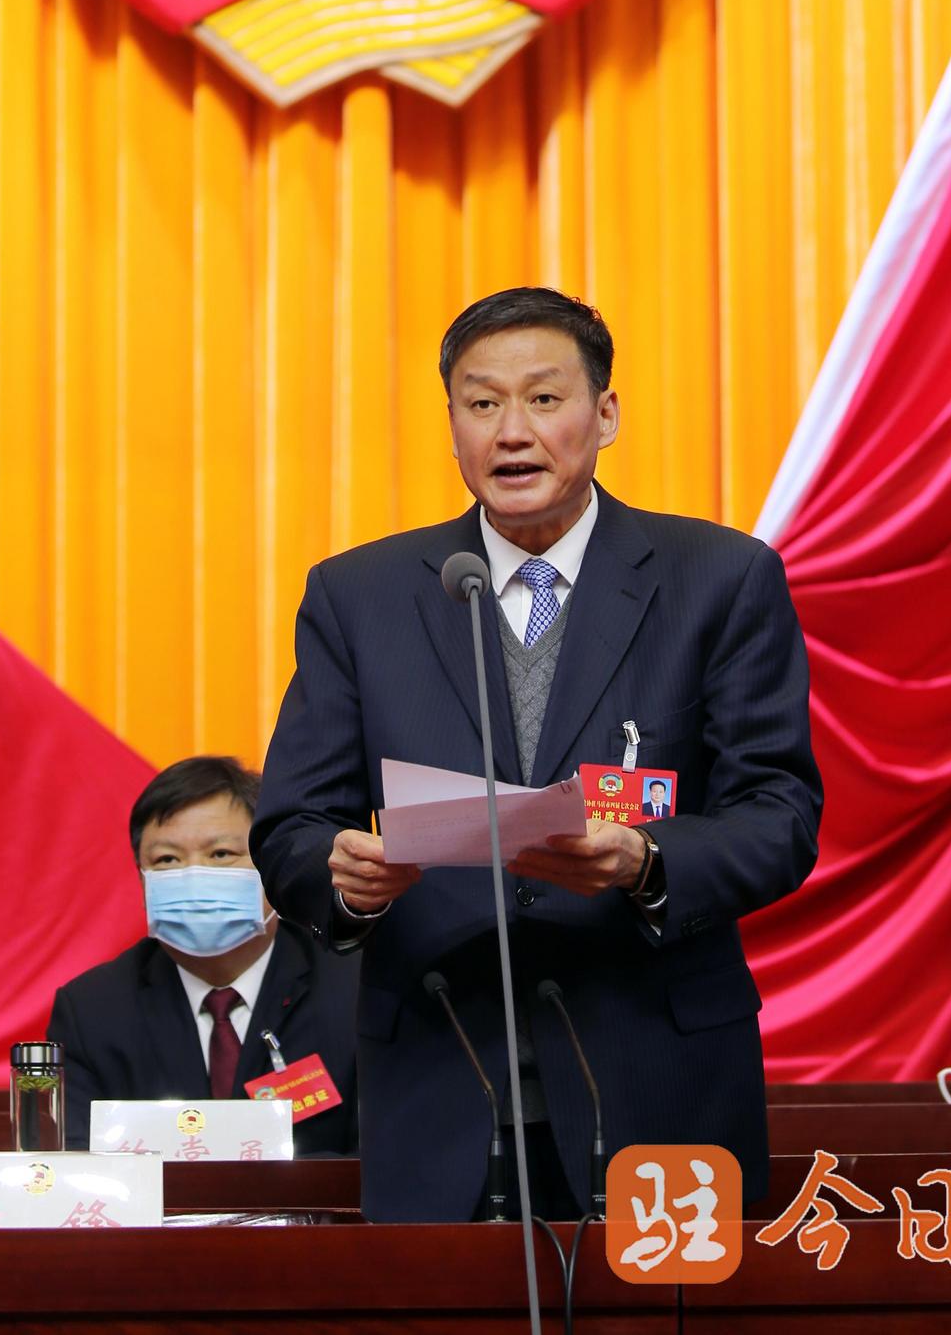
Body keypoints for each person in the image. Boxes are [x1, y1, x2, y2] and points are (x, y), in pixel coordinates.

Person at [252, 286, 822, 1222]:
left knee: (660, 1310)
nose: (511, 432)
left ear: (606, 415)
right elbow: (291, 827)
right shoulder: (361, 595)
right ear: (453, 427)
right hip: (439, 1070)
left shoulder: (720, 579)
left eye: (544, 399)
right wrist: (343, 877)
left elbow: (778, 815)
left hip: (656, 1073)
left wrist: (648, 860)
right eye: (482, 403)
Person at [47, 755, 358, 1152]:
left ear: (273, 862)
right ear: (142, 879)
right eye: (167, 860)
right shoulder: (92, 1010)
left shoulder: (356, 991)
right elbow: (79, 1161)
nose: (193, 875)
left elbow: (379, 1154)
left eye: (221, 853)